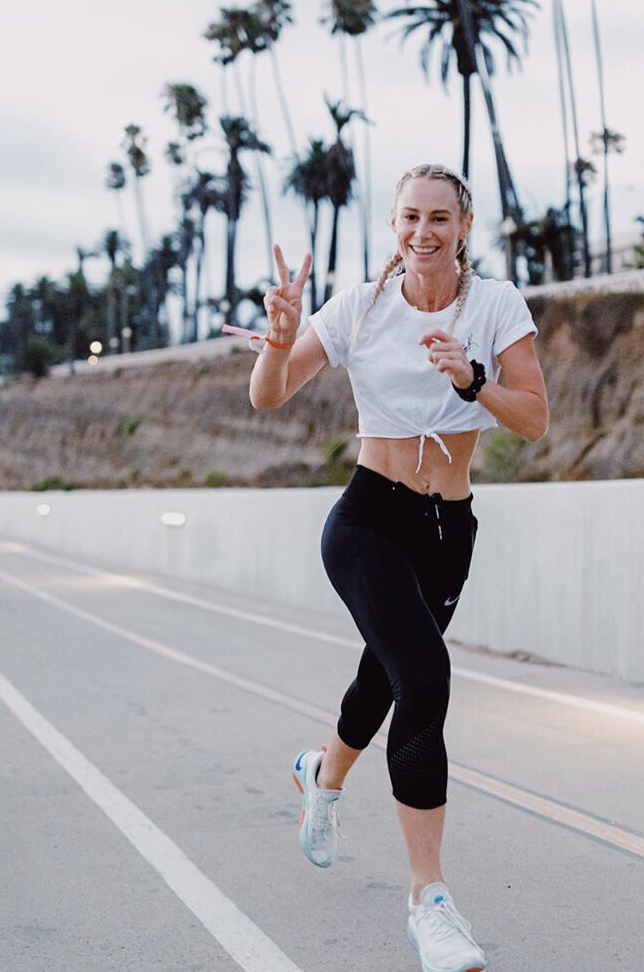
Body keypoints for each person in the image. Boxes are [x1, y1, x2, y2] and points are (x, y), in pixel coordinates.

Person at [250, 164, 549, 972]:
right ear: (394, 225)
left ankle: (322, 771)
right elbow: (268, 395)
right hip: (367, 516)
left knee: (386, 677)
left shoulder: (496, 306)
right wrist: (279, 344)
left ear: (464, 224)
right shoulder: (360, 306)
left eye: (440, 217)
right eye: (410, 216)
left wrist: (474, 380)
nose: (424, 231)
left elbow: (534, 418)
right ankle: (430, 900)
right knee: (423, 674)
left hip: (448, 528)